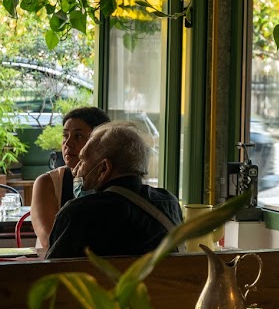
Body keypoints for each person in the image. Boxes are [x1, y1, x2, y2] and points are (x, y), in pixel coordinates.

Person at [45, 121, 183, 259]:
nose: (75, 170)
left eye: (83, 161)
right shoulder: (169, 202)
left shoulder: (78, 213)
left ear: (104, 169)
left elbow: (50, 274)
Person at [30, 107, 110, 250]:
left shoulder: (111, 180)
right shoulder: (48, 183)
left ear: (100, 142)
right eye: (65, 136)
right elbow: (50, 243)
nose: (68, 144)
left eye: (78, 136)